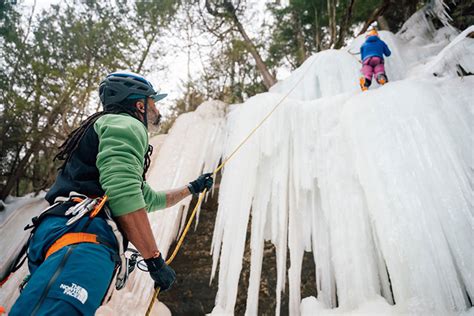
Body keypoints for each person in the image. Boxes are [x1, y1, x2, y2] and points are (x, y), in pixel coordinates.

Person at [9, 72, 214, 315]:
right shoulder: (126, 124)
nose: (157, 110)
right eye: (153, 102)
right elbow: (123, 194)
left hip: (64, 233)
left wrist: (191, 188)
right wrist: (154, 259)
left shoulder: (109, 127)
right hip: (84, 238)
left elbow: (146, 199)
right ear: (140, 105)